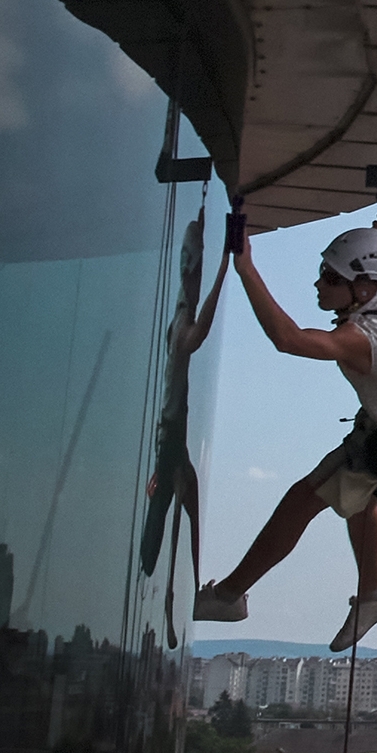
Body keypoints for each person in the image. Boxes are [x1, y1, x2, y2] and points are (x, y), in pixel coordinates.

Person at [193, 209, 377, 651]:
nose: (319, 284)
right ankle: (372, 594)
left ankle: (230, 598)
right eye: (323, 274)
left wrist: (246, 268)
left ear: (364, 288)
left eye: (331, 278)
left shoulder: (365, 336)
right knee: (356, 500)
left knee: (301, 501)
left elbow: (288, 339)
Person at [139, 212, 230, 633]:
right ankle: (186, 596)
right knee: (181, 519)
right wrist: (225, 268)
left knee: (178, 518)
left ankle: (184, 595)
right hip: (172, 436)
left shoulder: (175, 314)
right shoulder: (181, 325)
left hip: (169, 435)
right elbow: (199, 334)